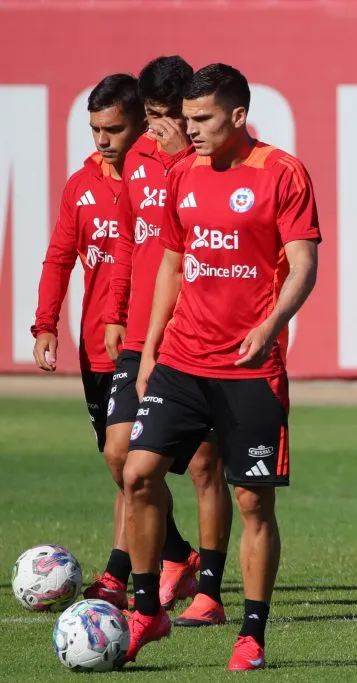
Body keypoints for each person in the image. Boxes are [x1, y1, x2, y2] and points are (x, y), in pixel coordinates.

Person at [120, 63, 321, 670]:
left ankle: (251, 634)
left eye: (203, 118)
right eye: (188, 117)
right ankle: (145, 610)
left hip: (249, 367)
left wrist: (270, 326)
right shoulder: (183, 173)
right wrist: (151, 348)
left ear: (237, 116)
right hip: (183, 359)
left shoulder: (282, 172)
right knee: (137, 474)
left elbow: (304, 264)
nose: (191, 128)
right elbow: (173, 266)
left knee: (254, 502)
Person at [98, 55, 233, 625]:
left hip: (202, 333)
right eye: (148, 114)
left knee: (206, 466)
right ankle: (172, 554)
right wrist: (114, 311)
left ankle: (209, 590)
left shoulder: (211, 164)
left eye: (162, 115)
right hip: (145, 332)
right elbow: (132, 244)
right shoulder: (137, 161)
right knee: (120, 452)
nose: (152, 125)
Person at [30, 72, 145, 591]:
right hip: (98, 348)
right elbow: (59, 258)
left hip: (150, 345)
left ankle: (124, 572)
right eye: (96, 129)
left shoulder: (161, 183)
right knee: (120, 466)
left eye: (113, 129)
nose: (102, 140)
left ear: (142, 123)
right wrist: (45, 324)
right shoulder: (81, 186)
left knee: (134, 463)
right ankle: (177, 556)